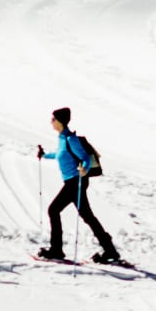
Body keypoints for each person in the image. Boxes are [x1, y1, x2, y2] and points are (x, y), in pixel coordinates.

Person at [34, 107, 121, 263]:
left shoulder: (70, 139)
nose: (51, 122)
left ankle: (56, 250)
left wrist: (84, 169)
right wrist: (45, 155)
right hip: (71, 182)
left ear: (60, 121)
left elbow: (85, 158)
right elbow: (61, 155)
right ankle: (110, 250)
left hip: (76, 181)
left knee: (53, 210)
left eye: (53, 119)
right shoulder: (62, 139)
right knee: (87, 216)